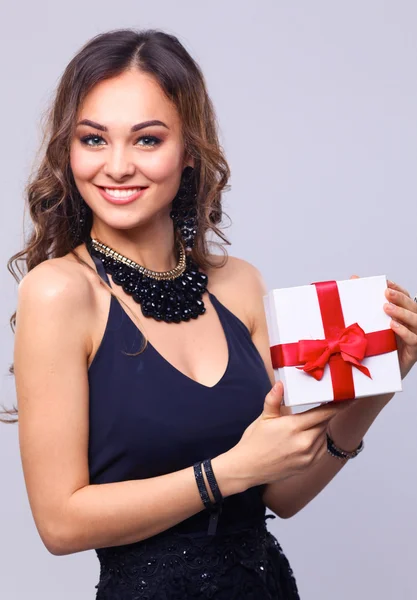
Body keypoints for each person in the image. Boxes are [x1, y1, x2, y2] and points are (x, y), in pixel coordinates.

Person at [6, 28, 417, 599]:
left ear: (189, 150)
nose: (118, 166)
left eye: (147, 140)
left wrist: (376, 382)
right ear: (67, 150)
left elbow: (282, 495)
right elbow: (60, 523)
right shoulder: (59, 293)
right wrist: (229, 471)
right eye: (93, 139)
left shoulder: (240, 283)